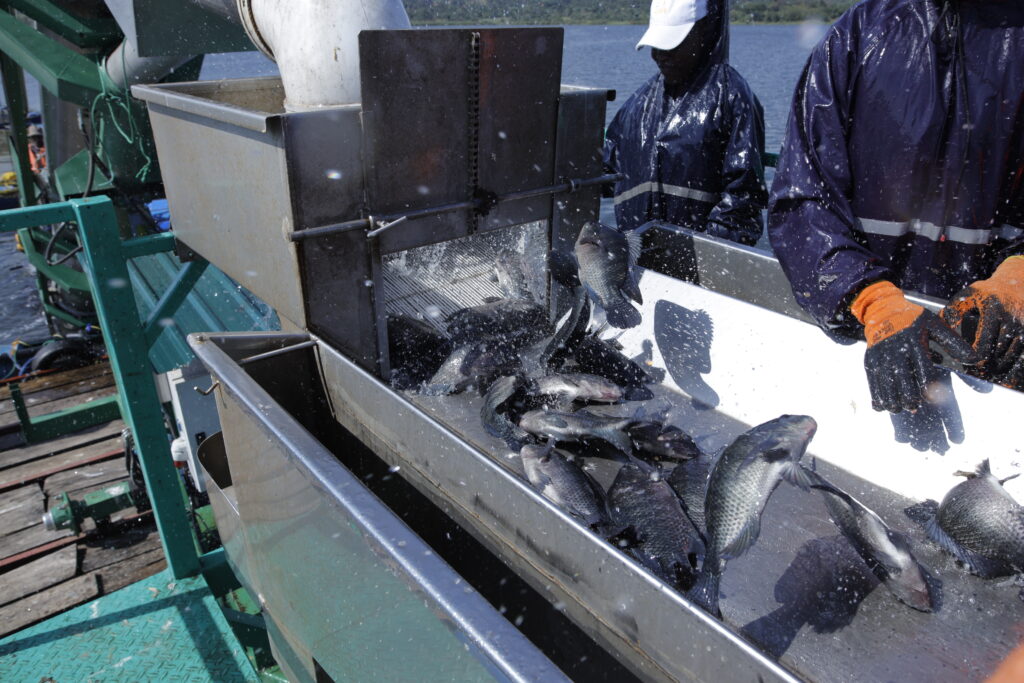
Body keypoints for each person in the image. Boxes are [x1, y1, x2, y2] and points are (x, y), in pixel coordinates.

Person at [768, 0, 1024, 413]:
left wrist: (1018, 277)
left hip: (997, 352)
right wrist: (872, 301)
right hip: (866, 339)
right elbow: (803, 200)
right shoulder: (855, 36)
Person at [604, 0, 767, 245]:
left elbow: (742, 198)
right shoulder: (637, 105)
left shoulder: (730, 95)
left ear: (703, 32)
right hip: (636, 258)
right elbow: (604, 173)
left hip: (700, 264)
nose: (660, 56)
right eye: (656, 46)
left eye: (672, 45)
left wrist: (704, 253)